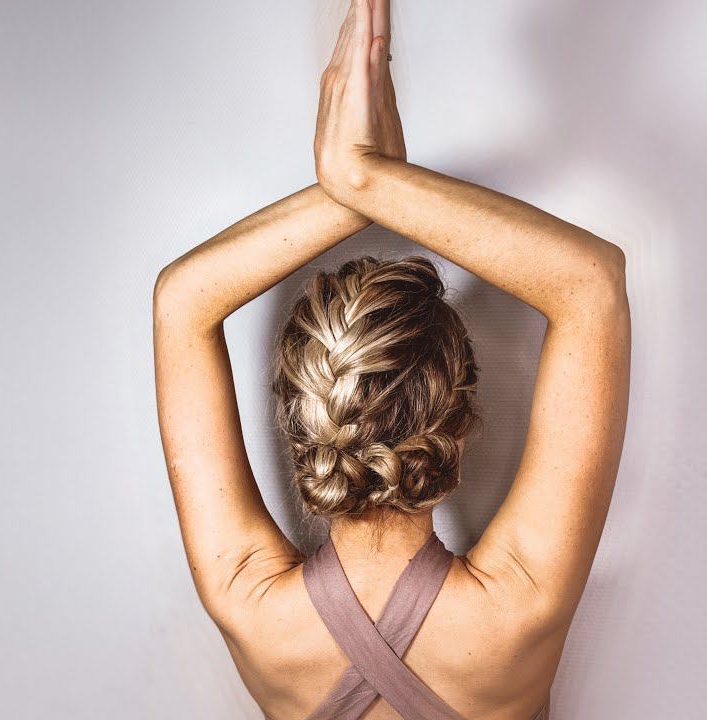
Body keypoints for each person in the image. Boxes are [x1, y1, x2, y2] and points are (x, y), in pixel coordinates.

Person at [151, 1, 630, 717]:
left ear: (299, 423)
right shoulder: (520, 604)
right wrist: (367, 178)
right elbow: (590, 284)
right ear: (460, 420)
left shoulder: (246, 600)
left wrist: (353, 189)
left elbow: (182, 299)